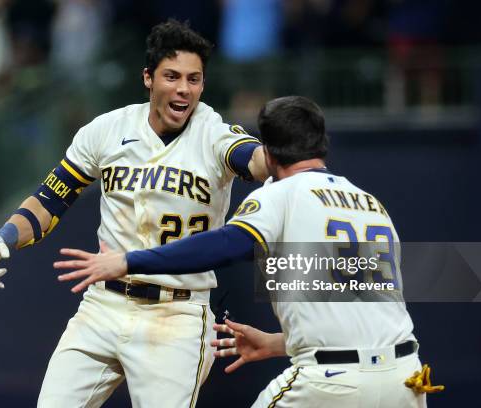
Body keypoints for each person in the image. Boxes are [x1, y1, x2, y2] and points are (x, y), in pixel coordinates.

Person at [55, 96, 444, 407]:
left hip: (329, 383)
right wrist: (279, 342)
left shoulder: (280, 193)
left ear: (269, 156)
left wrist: (126, 260)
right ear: (322, 144)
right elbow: (362, 308)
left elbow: (225, 245)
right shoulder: (370, 204)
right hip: (405, 379)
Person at [0, 19, 267, 407]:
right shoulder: (108, 129)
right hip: (102, 306)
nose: (183, 89)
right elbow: (50, 199)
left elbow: (255, 162)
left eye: (194, 79)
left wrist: (278, 155)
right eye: (172, 76)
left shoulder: (213, 132)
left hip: (175, 313)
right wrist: (4, 237)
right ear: (148, 77)